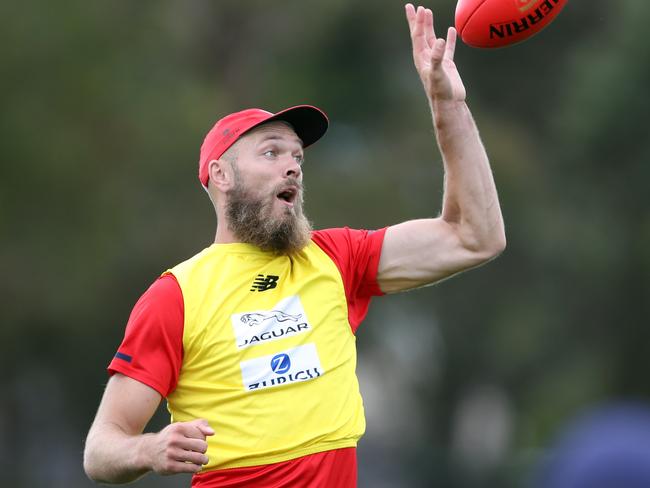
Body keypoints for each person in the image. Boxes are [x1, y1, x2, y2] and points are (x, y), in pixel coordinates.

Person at [83, 4, 506, 487]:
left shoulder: (336, 258)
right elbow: (100, 449)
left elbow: (474, 236)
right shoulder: (176, 296)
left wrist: (447, 104)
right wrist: (150, 447)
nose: (293, 166)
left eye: (297, 156)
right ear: (221, 175)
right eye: (270, 152)